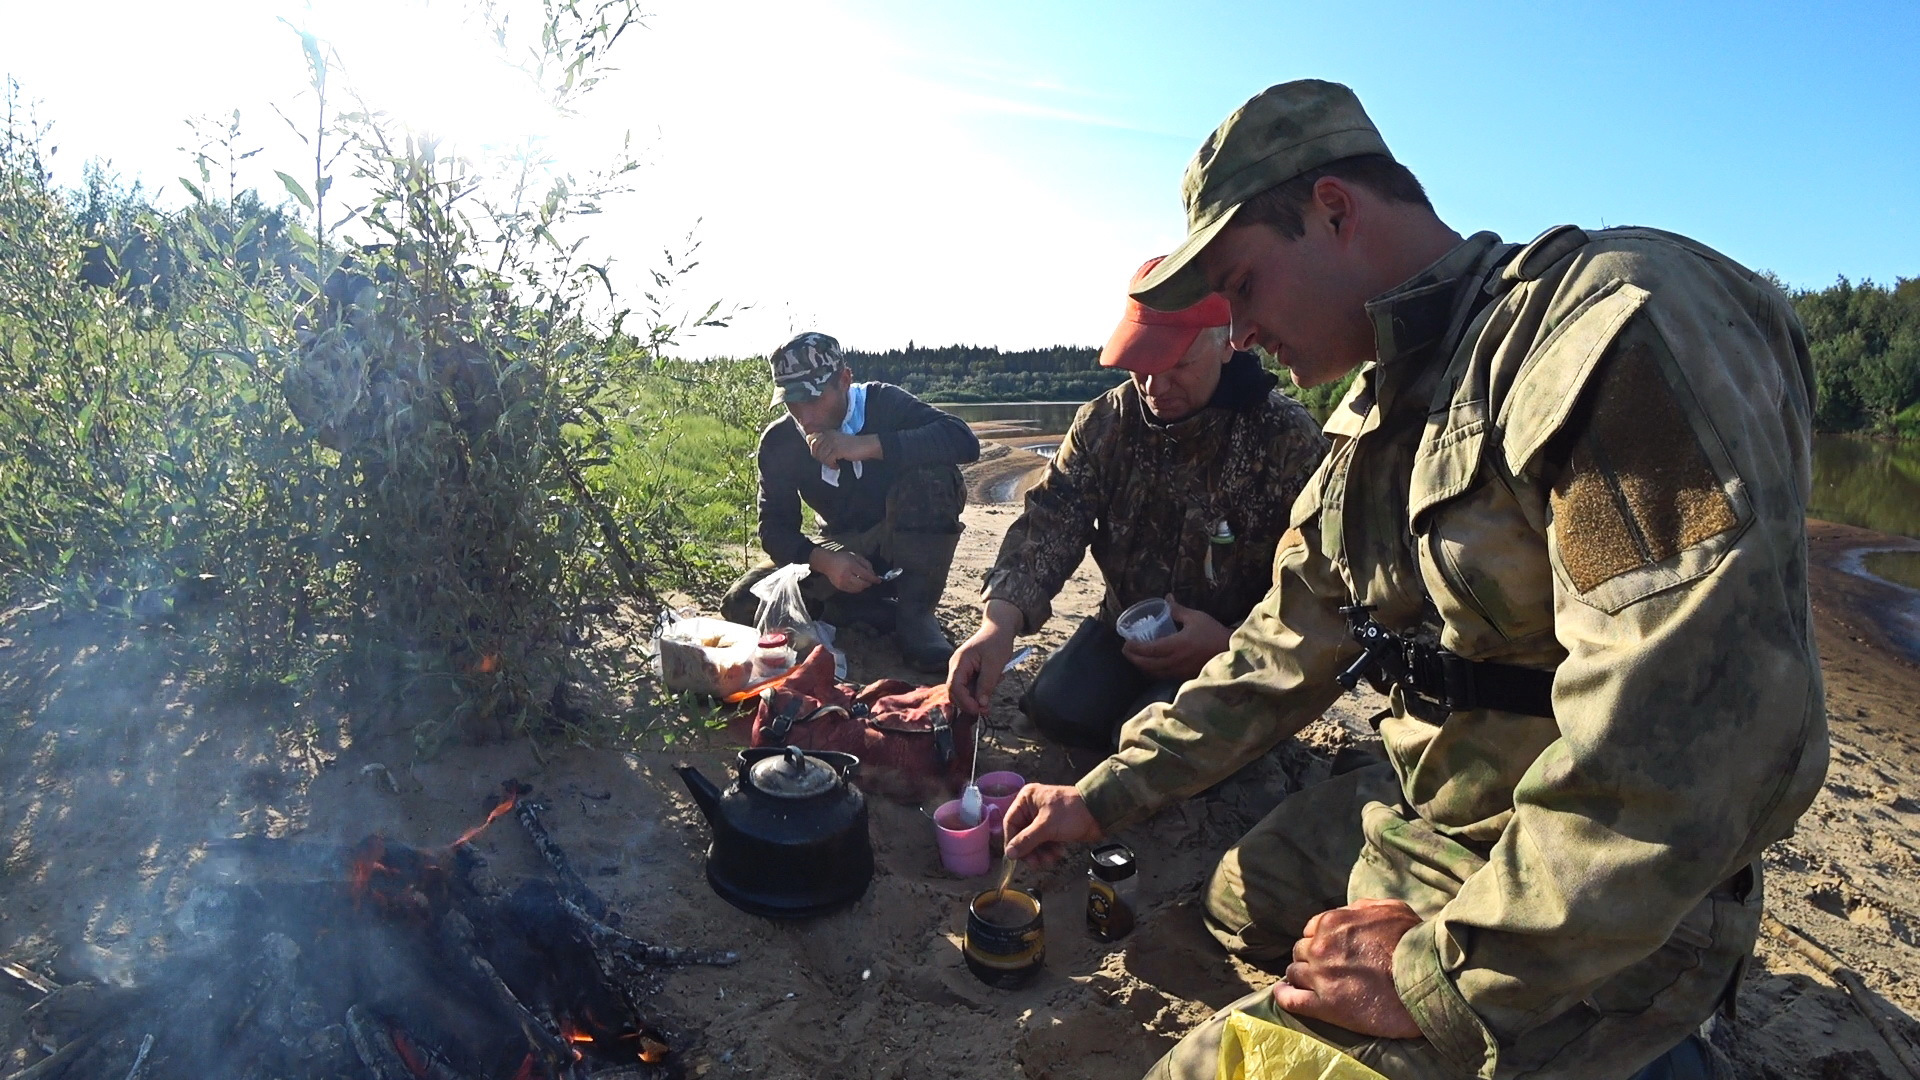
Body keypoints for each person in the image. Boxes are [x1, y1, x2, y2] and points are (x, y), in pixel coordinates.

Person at [1002, 79, 1826, 1080]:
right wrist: (1099, 799)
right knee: (1236, 900)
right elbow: (1272, 656)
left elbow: (1689, 749)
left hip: (1590, 876)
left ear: (1334, 211)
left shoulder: (1605, 331)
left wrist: (1439, 975)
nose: (1238, 328)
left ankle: (1650, 1048)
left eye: (1244, 285)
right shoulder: (1373, 424)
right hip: (1438, 806)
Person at [945, 258, 1326, 751]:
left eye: (1177, 366)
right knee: (1054, 710)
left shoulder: (1285, 437)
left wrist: (1231, 641)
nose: (1153, 387)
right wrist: (998, 626)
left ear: (1226, 345)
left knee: (1153, 742)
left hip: (1236, 649)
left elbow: (1319, 583)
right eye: (1141, 365)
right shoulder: (1106, 421)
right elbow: (1050, 523)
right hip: (1125, 631)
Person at [720, 332, 980, 671]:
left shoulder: (884, 405)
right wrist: (825, 561)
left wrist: (868, 446)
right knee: (741, 603)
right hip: (838, 548)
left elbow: (963, 441)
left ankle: (916, 616)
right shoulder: (780, 442)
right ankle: (872, 611)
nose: (805, 416)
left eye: (813, 400)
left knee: (933, 475)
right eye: (792, 403)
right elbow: (774, 529)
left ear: (844, 380)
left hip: (905, 543)